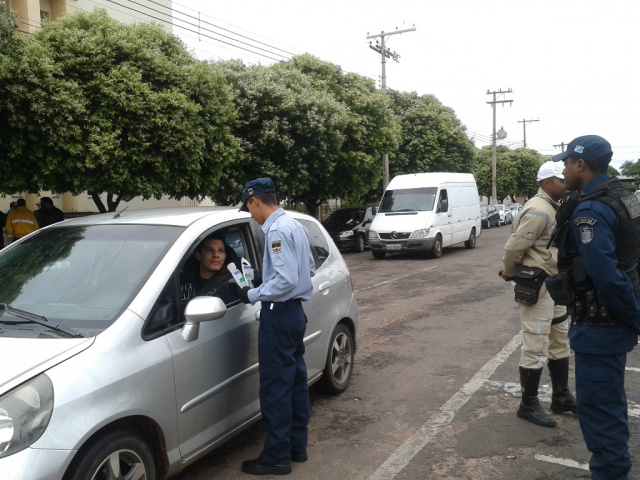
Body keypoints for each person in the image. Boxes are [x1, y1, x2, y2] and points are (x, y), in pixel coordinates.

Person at [549, 135, 640, 479]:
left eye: (567, 162)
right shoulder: (624, 197)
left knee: (599, 411)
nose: (564, 168)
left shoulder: (591, 210)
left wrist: (635, 316)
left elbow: (607, 276)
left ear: (581, 165)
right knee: (610, 404)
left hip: (601, 325)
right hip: (611, 323)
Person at [237, 177, 316, 476]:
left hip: (278, 315)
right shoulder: (294, 225)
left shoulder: (276, 231)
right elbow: (306, 269)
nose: (251, 216)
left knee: (275, 389)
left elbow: (285, 280)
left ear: (254, 200)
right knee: (295, 383)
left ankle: (276, 457)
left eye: (249, 209)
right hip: (294, 314)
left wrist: (252, 293)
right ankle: (297, 447)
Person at [500, 161, 576, 428]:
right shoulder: (539, 209)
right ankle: (528, 405)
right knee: (535, 344)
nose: (565, 182)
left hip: (554, 283)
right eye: (560, 180)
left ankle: (561, 396)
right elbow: (514, 247)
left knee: (559, 340)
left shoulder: (554, 206)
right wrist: (508, 271)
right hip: (539, 284)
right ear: (547, 184)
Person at [180, 234, 237, 306]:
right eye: (209, 250)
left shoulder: (231, 283)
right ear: (199, 256)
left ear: (225, 256)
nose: (216, 255)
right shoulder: (182, 280)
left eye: (220, 251)